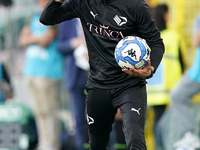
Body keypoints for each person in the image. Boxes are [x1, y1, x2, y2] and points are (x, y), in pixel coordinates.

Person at [39, 0, 165, 149]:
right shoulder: (84, 3)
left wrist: (150, 69)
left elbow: (156, 42)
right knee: (97, 144)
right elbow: (47, 19)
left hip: (130, 85)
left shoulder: (136, 5)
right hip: (98, 86)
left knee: (134, 138)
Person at [18, 0, 64, 149]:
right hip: (30, 70)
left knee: (49, 110)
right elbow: (22, 40)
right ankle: (43, 142)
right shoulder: (32, 16)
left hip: (48, 72)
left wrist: (32, 38)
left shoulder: (55, 18)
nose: (41, 2)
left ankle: (53, 144)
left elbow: (45, 40)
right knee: (38, 111)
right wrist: (36, 38)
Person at [146, 4, 183, 149]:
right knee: (168, 121)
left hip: (152, 90)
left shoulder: (148, 39)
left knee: (152, 122)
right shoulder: (173, 37)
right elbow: (182, 61)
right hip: (171, 88)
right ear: (166, 16)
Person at [168, 12, 200, 150]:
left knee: (177, 96)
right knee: (177, 95)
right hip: (196, 72)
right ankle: (190, 135)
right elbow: (196, 42)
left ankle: (191, 135)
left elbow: (195, 41)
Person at [57, 18, 89, 150]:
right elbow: (60, 46)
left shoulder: (96, 14)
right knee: (79, 117)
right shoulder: (66, 21)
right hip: (75, 75)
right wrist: (73, 43)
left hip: (96, 73)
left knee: (100, 116)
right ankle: (82, 146)